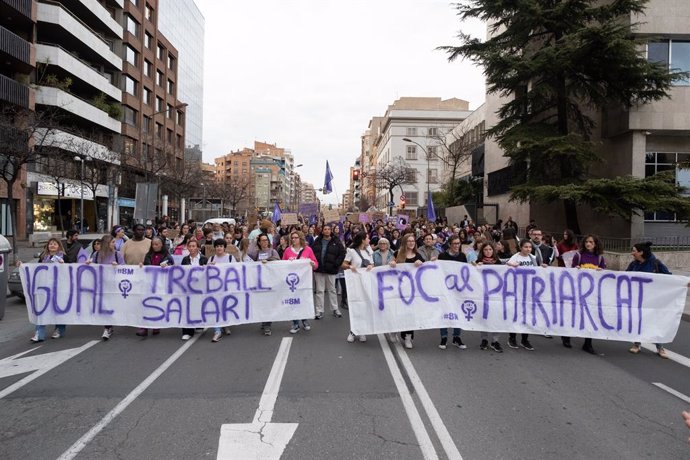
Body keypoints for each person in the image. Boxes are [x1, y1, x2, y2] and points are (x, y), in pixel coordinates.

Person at [626, 242, 671, 358]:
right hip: (637, 299)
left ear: (641, 252)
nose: (632, 253)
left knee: (654, 322)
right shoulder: (633, 264)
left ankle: (660, 347)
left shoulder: (655, 263)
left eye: (634, 251)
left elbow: (669, 277)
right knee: (637, 320)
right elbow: (625, 277)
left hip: (652, 299)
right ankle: (637, 344)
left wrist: (683, 283)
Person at [564, 234, 607, 354]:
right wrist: (576, 269)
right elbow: (571, 272)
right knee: (574, 315)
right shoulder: (578, 256)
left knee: (591, 317)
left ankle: (588, 343)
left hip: (592, 293)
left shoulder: (599, 258)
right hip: (578, 291)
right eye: (587, 241)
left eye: (591, 242)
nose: (588, 244)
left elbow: (603, 275)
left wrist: (601, 271)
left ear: (596, 244)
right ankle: (566, 337)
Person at [29, 238, 67, 342]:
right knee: (41, 310)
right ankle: (39, 334)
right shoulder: (43, 257)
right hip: (44, 287)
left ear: (59, 246)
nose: (52, 245)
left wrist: (63, 265)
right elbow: (37, 270)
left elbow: (69, 271)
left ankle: (59, 329)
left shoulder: (64, 257)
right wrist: (22, 266)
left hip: (59, 287)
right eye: (50, 244)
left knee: (58, 310)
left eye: (55, 244)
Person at [137, 236, 174, 337]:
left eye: (157, 244)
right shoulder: (148, 255)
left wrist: (167, 266)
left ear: (162, 245)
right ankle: (144, 327)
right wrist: (141, 265)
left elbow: (172, 266)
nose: (155, 246)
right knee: (147, 304)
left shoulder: (167, 256)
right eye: (153, 244)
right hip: (149, 284)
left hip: (161, 284)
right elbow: (146, 267)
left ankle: (156, 325)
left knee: (157, 305)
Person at [88, 234, 123, 340]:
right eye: (112, 242)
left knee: (110, 306)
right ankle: (108, 327)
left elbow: (124, 268)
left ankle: (109, 326)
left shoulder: (118, 254)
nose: (115, 244)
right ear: (107, 244)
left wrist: (117, 266)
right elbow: (92, 268)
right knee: (104, 306)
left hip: (113, 285)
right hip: (100, 284)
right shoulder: (96, 255)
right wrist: (88, 264)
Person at [283, 231, 318, 334]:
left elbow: (316, 264)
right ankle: (295, 323)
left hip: (304, 282)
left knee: (304, 300)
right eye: (292, 238)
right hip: (292, 282)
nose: (294, 239)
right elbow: (282, 264)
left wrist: (312, 264)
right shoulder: (287, 251)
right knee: (293, 302)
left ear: (301, 238)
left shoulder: (308, 250)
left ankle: (305, 320)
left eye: (296, 237)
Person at [342, 232, 374, 343]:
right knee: (355, 305)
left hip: (366, 283)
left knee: (365, 306)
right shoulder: (351, 251)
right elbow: (344, 264)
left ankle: (362, 331)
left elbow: (372, 265)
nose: (369, 240)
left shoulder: (369, 252)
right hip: (355, 283)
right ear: (362, 240)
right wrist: (350, 266)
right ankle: (353, 331)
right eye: (367, 238)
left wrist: (371, 266)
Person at [505, 239, 537, 351]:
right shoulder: (515, 257)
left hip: (529, 291)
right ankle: (512, 337)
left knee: (527, 315)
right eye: (525, 247)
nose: (528, 249)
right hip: (516, 290)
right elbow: (507, 266)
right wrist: (510, 264)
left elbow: (537, 271)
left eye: (530, 247)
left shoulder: (532, 258)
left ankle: (525, 339)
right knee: (516, 314)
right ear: (521, 247)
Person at [437, 235, 467, 350]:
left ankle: (456, 337)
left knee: (458, 312)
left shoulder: (462, 256)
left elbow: (466, 271)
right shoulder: (442, 256)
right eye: (454, 243)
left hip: (458, 289)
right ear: (449, 244)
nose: (457, 245)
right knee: (444, 312)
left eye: (458, 243)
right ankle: (444, 337)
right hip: (445, 289)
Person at [311, 224, 346, 319]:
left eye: (328, 229)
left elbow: (342, 253)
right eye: (325, 229)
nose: (326, 231)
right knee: (319, 291)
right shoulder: (317, 241)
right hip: (319, 269)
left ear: (331, 231)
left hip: (331, 269)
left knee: (332, 290)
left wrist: (336, 264)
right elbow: (312, 253)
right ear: (322, 231)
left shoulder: (336, 241)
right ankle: (319, 311)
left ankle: (335, 309)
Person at [474, 242, 504, 352]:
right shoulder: (478, 263)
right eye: (485, 250)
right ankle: (484, 339)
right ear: (482, 251)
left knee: (496, 317)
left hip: (496, 294)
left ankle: (495, 340)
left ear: (493, 251)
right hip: (483, 294)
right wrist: (475, 266)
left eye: (490, 249)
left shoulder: (498, 263)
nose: (488, 252)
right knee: (484, 317)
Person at [396, 233, 424, 349]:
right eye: (409, 241)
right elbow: (390, 268)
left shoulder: (418, 255)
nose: (411, 243)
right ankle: (396, 330)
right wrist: (393, 264)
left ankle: (408, 336)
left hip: (414, 290)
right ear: (405, 243)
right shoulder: (398, 254)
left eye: (413, 241)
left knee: (410, 313)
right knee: (400, 312)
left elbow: (426, 269)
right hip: (400, 289)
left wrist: (422, 264)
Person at [180, 239, 208, 340]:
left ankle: (198, 324)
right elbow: (182, 273)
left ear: (198, 247)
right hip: (189, 288)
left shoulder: (204, 259)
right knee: (187, 309)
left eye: (194, 246)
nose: (192, 248)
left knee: (198, 306)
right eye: (190, 246)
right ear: (187, 248)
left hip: (200, 288)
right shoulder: (185, 260)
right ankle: (187, 331)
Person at [207, 238, 234, 341]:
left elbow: (237, 271)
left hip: (227, 288)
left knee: (226, 308)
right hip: (215, 288)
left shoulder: (230, 258)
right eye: (217, 246)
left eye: (221, 246)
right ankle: (217, 330)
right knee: (216, 309)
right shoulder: (211, 258)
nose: (219, 248)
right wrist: (209, 266)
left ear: (224, 248)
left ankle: (225, 324)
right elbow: (207, 273)